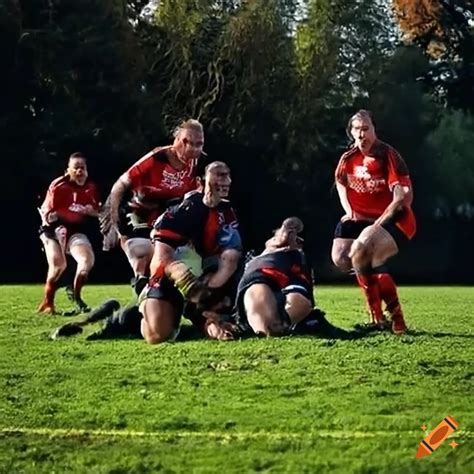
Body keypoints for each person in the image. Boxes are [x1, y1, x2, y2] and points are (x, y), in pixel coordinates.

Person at [331, 110, 416, 334]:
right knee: (341, 258)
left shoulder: (387, 155)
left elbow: (401, 199)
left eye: (366, 128)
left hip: (396, 218)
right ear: (351, 132)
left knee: (362, 251)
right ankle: (383, 318)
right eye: (357, 129)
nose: (362, 134)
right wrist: (349, 209)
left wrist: (377, 225)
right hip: (361, 219)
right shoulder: (347, 158)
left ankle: (388, 318)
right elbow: (340, 181)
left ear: (374, 130)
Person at [140, 161, 242, 344]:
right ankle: (145, 305)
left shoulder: (227, 212)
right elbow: (162, 259)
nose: (225, 180)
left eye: (227, 175)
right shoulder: (181, 211)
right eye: (218, 175)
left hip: (208, 278)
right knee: (158, 336)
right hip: (172, 279)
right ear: (200, 181)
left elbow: (231, 257)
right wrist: (186, 281)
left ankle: (207, 320)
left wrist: (211, 286)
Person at [100, 119, 205, 295]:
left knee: (174, 253)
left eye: (198, 144)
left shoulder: (197, 162)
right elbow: (120, 184)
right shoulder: (156, 158)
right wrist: (113, 220)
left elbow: (197, 196)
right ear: (176, 140)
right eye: (186, 142)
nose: (192, 149)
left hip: (165, 212)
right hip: (137, 209)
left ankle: (160, 289)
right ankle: (140, 279)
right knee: (143, 249)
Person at [228, 217, 316, 336]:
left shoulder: (299, 263)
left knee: (299, 301)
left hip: (292, 280)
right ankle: (268, 327)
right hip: (263, 277)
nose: (289, 235)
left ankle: (281, 325)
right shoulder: (260, 263)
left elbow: (301, 302)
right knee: (260, 300)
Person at [38, 152, 101, 314]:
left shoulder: (91, 188)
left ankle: (77, 296)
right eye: (76, 168)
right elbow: (48, 213)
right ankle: (48, 302)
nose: (80, 172)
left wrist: (91, 211)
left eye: (83, 168)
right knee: (59, 266)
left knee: (86, 261)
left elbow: (98, 212)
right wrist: (53, 217)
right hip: (53, 231)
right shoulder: (59, 186)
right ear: (68, 171)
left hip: (75, 231)